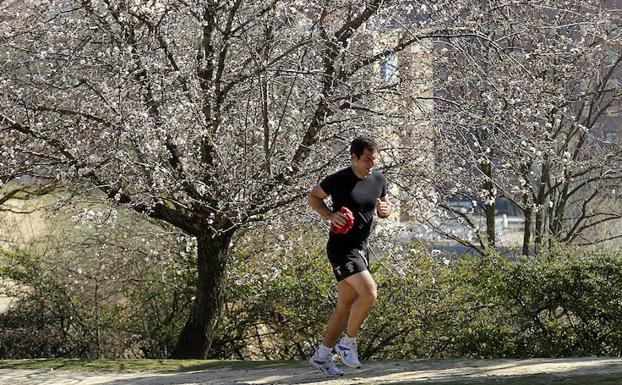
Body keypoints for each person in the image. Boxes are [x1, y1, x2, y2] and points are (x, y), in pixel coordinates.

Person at [307, 136, 391, 377]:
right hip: (341, 249)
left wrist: (385, 210)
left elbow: (384, 205)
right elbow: (314, 197)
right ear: (354, 157)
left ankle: (322, 356)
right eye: (366, 160)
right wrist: (331, 216)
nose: (371, 165)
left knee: (344, 306)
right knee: (369, 292)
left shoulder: (378, 179)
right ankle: (348, 343)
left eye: (374, 160)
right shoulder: (338, 179)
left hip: (361, 248)